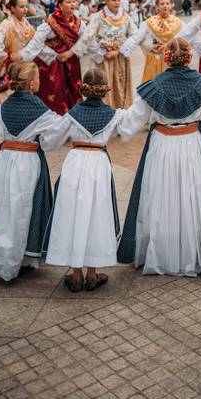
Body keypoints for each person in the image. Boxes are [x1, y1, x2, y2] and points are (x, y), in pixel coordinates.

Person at [116, 37, 201, 278]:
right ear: (190, 57)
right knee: (196, 195)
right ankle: (197, 251)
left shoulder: (151, 86)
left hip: (162, 144)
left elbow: (130, 122)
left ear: (166, 58)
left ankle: (162, 253)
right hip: (193, 143)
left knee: (160, 195)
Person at [43, 69, 124, 292]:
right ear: (106, 89)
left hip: (75, 162)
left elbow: (50, 141)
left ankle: (75, 274)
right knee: (96, 214)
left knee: (73, 213)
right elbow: (124, 131)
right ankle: (92, 273)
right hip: (98, 163)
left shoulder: (71, 115)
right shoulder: (114, 114)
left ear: (84, 90)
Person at [0, 62, 62, 281]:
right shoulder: (40, 109)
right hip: (27, 162)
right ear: (33, 82)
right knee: (22, 210)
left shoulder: (4, 106)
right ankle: (17, 260)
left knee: (4, 209)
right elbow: (53, 139)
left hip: (6, 160)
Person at [15, 0, 87, 114]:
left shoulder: (79, 23)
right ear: (60, 5)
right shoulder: (51, 22)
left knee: (73, 92)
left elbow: (85, 40)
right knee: (53, 93)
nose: (72, 4)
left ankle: (72, 119)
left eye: (74, 1)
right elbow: (37, 42)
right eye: (68, 2)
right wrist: (22, 56)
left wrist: (70, 52)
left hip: (71, 63)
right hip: (52, 65)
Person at [82, 0, 138, 109]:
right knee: (104, 83)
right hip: (103, 56)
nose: (117, 3)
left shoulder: (125, 16)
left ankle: (120, 111)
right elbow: (88, 37)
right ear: (106, 1)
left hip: (120, 56)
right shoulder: (98, 16)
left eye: (119, 0)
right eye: (113, 0)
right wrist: (101, 53)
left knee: (120, 85)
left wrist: (119, 50)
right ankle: (104, 111)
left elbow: (135, 35)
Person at [119, 0, 183, 83]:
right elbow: (137, 37)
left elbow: (186, 37)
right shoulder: (149, 22)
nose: (165, 5)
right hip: (155, 56)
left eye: (167, 3)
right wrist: (149, 47)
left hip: (172, 58)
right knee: (153, 86)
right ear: (157, 6)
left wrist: (170, 45)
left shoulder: (178, 22)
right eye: (162, 4)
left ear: (172, 5)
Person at [0, 0, 36, 85]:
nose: (25, 9)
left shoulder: (26, 23)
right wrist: (7, 55)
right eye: (21, 7)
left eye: (26, 6)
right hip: (11, 66)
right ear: (13, 8)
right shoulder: (7, 24)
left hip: (25, 63)